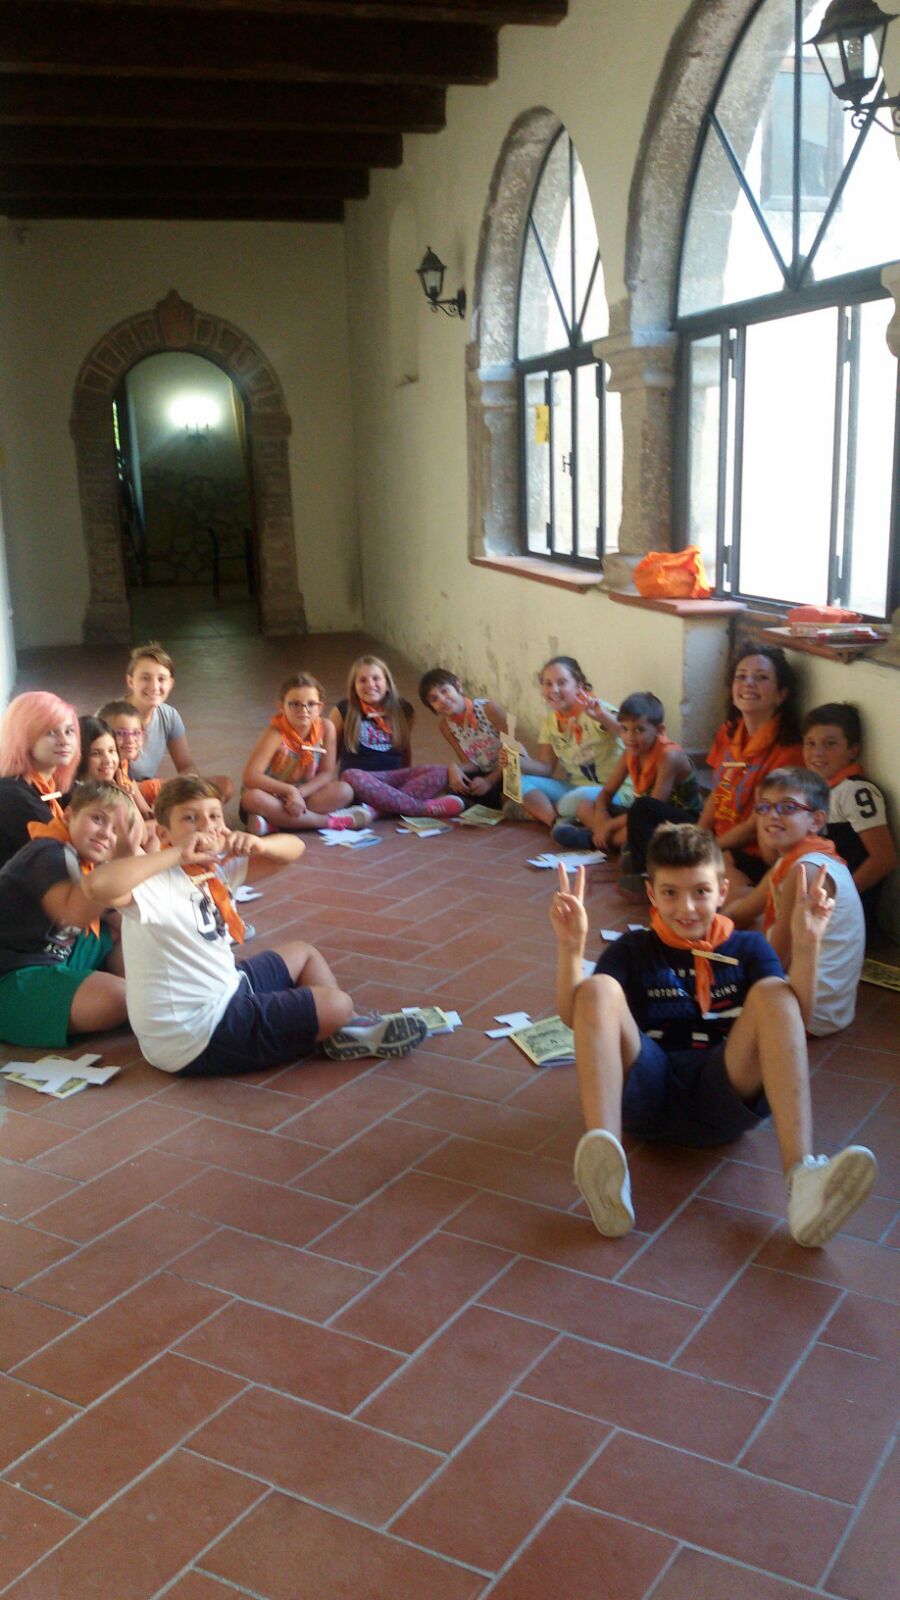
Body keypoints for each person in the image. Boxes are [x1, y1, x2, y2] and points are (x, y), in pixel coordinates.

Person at [550, 822, 877, 1247]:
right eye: (670, 892)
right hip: (647, 1096)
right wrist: (571, 948)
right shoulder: (632, 950)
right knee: (597, 989)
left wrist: (807, 944)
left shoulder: (748, 948)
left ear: (722, 891)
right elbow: (575, 1017)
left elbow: (796, 1017)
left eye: (700, 892)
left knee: (776, 995)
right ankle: (608, 1173)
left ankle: (803, 1183)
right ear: (652, 894)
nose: (686, 907)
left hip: (723, 1095)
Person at [81, 776, 427, 1076]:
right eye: (190, 818)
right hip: (195, 1034)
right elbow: (97, 885)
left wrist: (260, 843)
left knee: (303, 954)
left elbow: (294, 850)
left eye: (214, 816)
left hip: (226, 989)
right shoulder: (156, 882)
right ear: (163, 832)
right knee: (336, 1004)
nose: (205, 826)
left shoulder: (216, 869)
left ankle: (343, 1031)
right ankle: (341, 1026)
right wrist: (177, 854)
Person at [727, 768, 865, 1036]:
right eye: (764, 807)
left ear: (816, 820)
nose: (772, 815)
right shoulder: (796, 856)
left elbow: (775, 960)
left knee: (701, 990)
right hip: (834, 1008)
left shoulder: (805, 870)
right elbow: (743, 912)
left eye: (787, 807)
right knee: (738, 900)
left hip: (810, 1011)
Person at [0, 779, 131, 1046]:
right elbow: (73, 914)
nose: (105, 833)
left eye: (116, 829)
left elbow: (125, 914)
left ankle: (144, 991)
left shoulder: (84, 862)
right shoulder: (47, 852)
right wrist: (124, 862)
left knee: (121, 929)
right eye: (97, 818)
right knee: (121, 998)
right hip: (13, 976)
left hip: (58, 957)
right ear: (69, 814)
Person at [698, 644, 803, 884]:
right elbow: (718, 793)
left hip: (752, 850)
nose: (749, 684)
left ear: (781, 694)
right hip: (719, 838)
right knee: (648, 813)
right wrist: (696, 837)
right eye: (741, 676)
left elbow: (754, 825)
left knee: (705, 874)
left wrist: (706, 848)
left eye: (761, 677)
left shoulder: (790, 752)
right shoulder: (728, 731)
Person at [557, 691, 700, 860]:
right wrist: (602, 816)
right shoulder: (630, 753)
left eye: (639, 730)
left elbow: (653, 807)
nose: (630, 737)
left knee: (638, 824)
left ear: (659, 730)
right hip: (640, 815)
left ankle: (592, 839)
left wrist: (609, 826)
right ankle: (611, 839)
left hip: (678, 821)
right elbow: (607, 792)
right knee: (585, 805)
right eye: (624, 729)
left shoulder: (669, 756)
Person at [329, 654, 462, 823]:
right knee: (350, 775)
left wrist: (410, 777)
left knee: (441, 771)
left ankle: (376, 810)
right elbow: (331, 752)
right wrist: (322, 783)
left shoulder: (403, 709)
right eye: (362, 680)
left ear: (387, 684)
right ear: (354, 687)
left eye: (376, 678)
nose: (370, 684)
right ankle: (422, 808)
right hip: (360, 782)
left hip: (394, 780)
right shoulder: (343, 710)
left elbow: (405, 748)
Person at [802, 702, 897, 933]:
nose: (818, 753)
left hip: (843, 912)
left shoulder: (856, 791)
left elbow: (884, 859)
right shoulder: (813, 790)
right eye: (810, 743)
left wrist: (839, 900)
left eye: (830, 744)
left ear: (853, 750)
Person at [513, 656, 629, 833]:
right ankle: (557, 823)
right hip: (574, 787)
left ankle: (560, 814)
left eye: (562, 683)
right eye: (548, 684)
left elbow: (628, 732)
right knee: (517, 782)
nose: (554, 690)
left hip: (613, 790)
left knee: (570, 801)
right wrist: (517, 760)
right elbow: (546, 768)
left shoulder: (596, 709)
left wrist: (603, 717)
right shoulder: (550, 722)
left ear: (579, 685)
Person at [240, 672, 354, 833]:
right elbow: (251, 776)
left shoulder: (327, 728)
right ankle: (324, 821)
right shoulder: (276, 733)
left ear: (320, 707)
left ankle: (275, 823)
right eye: (295, 704)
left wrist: (299, 794)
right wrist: (289, 791)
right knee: (252, 798)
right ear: (282, 706)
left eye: (311, 704)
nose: (303, 710)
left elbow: (327, 773)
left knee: (345, 791)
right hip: (272, 794)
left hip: (305, 794)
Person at [124, 640, 234, 801]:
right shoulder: (113, 717)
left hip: (151, 789)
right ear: (131, 682)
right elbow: (104, 777)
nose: (154, 686)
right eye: (145, 678)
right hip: (122, 792)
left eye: (161, 679)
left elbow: (186, 765)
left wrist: (188, 784)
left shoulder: (169, 716)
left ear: (170, 684)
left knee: (224, 785)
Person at [0, 692, 80, 868]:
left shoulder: (55, 782)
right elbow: (68, 853)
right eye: (51, 732)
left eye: (69, 731)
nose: (65, 741)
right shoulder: (10, 794)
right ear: (23, 737)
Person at [418, 667, 510, 810]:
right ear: (431, 707)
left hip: (509, 771)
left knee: (516, 786)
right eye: (434, 699)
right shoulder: (445, 726)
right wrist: (454, 768)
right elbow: (470, 763)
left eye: (444, 691)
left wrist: (489, 781)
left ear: (458, 687)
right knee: (448, 779)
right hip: (484, 776)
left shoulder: (489, 709)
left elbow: (515, 752)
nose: (442, 700)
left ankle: (507, 804)